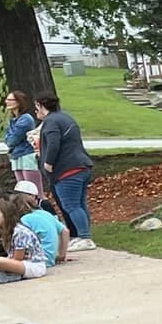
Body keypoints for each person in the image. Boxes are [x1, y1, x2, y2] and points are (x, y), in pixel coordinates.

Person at [32, 95, 95, 250]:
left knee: (71, 205)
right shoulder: (64, 117)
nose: (35, 111)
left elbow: (54, 142)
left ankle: (85, 238)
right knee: (79, 204)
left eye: (36, 107)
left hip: (67, 169)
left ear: (41, 105)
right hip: (81, 165)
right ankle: (82, 235)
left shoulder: (51, 121)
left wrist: (48, 163)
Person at [0, 197, 49, 283]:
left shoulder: (20, 232)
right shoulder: (6, 231)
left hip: (33, 265)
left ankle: (6, 274)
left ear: (6, 215)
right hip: (17, 263)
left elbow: (17, 259)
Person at [13, 181, 69, 267]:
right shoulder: (45, 214)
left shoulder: (25, 219)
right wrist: (62, 255)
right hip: (49, 259)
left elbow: (21, 242)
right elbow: (65, 231)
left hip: (37, 260)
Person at [3, 91, 44, 197]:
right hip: (16, 157)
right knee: (23, 193)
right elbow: (7, 140)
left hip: (27, 157)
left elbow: (12, 140)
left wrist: (9, 138)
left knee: (35, 192)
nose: (6, 102)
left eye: (10, 100)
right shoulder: (13, 120)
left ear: (18, 102)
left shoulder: (26, 119)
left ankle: (43, 211)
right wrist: (9, 138)